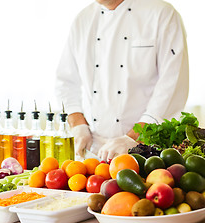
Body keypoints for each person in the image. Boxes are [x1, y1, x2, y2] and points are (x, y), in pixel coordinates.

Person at [55, 0, 189, 161]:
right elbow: (66, 80)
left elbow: (172, 85)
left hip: (149, 152)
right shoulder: (83, 19)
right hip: (95, 151)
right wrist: (78, 124)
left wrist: (133, 138)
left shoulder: (162, 14)